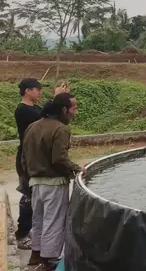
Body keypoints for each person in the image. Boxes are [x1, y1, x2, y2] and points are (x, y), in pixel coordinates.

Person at [22, 92, 82, 270]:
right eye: (74, 108)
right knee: (53, 222)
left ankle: (36, 255)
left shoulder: (32, 127)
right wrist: (78, 168)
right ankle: (50, 261)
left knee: (38, 220)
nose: (75, 112)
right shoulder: (61, 129)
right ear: (64, 110)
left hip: (35, 182)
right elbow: (59, 159)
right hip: (53, 184)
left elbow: (23, 157)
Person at [13, 78, 67, 252]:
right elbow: (44, 119)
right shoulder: (23, 111)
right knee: (28, 196)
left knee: (34, 196)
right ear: (27, 91)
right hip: (27, 158)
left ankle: (34, 234)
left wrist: (57, 99)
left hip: (36, 156)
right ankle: (22, 234)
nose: (40, 92)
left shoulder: (35, 108)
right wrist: (57, 99)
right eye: (37, 89)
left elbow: (47, 114)